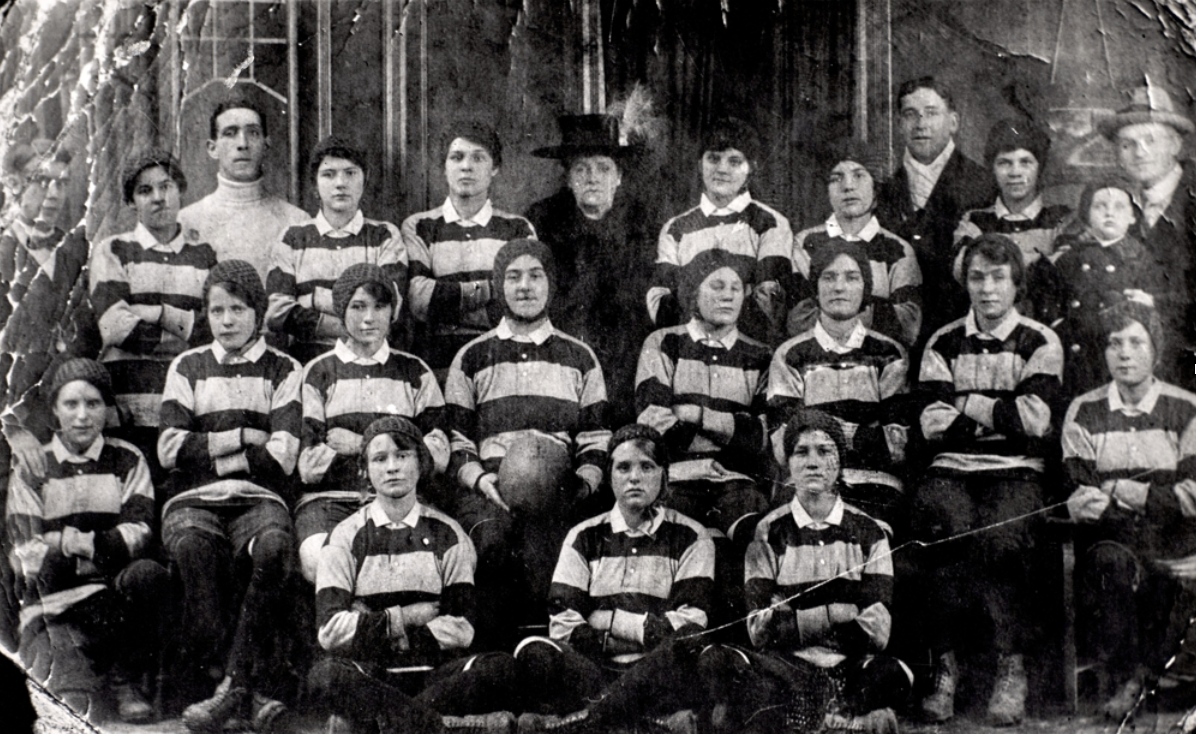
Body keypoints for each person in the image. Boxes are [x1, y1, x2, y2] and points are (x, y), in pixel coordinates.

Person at [910, 233, 1063, 725]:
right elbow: (931, 425)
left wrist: (967, 403)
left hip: (1018, 472)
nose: (988, 288)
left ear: (1016, 283)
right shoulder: (943, 340)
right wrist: (1001, 414)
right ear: (965, 283)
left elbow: (1035, 423)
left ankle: (1009, 666)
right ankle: (945, 668)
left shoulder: (1040, 340)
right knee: (942, 528)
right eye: (978, 277)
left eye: (999, 278)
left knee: (1001, 536)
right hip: (951, 469)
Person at [157, 260, 302, 732]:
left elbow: (281, 455)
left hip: (259, 502)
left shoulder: (284, 368)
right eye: (216, 310)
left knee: (276, 548)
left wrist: (210, 449)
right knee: (194, 549)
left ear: (258, 312)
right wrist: (243, 435)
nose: (227, 320)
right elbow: (170, 449)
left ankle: (233, 688)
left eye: (238, 309)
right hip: (194, 501)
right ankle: (233, 685)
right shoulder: (188, 365)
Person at [444, 238, 610, 647]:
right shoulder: (472, 356)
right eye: (513, 277)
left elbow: (595, 436)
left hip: (558, 487)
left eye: (535, 276)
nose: (525, 286)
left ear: (550, 284)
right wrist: (483, 482)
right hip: (490, 487)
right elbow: (457, 440)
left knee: (552, 557)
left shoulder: (579, 357)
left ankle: (551, 666)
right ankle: (495, 667)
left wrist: (581, 485)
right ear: (500, 286)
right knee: (493, 546)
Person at [309, 416, 521, 734]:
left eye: (403, 455)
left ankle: (382, 724)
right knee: (324, 677)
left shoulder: (450, 534)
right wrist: (406, 617)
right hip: (372, 674)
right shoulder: (345, 536)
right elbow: (331, 630)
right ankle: (439, 725)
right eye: (380, 459)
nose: (392, 467)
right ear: (365, 471)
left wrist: (372, 625)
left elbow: (460, 628)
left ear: (421, 465)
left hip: (436, 674)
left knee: (501, 668)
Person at [515, 423, 719, 733]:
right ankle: (638, 720)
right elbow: (563, 623)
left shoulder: (692, 536)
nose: (634, 477)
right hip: (594, 671)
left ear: (664, 475)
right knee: (536, 649)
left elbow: (688, 623)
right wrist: (641, 629)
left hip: (657, 671)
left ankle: (591, 721)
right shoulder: (583, 535)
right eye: (623, 467)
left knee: (688, 643)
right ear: (609, 475)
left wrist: (606, 620)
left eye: (647, 467)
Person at [6, 358, 168, 723]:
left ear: (106, 409)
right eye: (71, 404)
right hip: (57, 589)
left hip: (113, 581)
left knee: (148, 574)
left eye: (93, 404)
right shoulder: (35, 466)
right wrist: (76, 550)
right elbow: (28, 546)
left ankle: (125, 679)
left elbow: (138, 530)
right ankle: (74, 680)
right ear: (54, 410)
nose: (82, 416)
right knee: (48, 564)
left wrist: (80, 545)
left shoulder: (127, 459)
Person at [1061, 302, 1196, 719]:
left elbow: (1193, 496)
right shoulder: (1085, 410)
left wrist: (1122, 488)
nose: (1124, 353)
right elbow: (1082, 495)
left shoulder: (1186, 408)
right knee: (1110, 566)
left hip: (1177, 535)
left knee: (1178, 570)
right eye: (1114, 343)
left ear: (1155, 350)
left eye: (1136, 342)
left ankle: (1156, 679)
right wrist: (1157, 496)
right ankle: (1126, 678)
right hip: (1113, 538)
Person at [740, 409, 912, 734]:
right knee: (747, 679)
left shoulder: (869, 530)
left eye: (825, 451)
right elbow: (759, 629)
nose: (813, 462)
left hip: (848, 661)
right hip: (789, 664)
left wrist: (797, 619)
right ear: (788, 462)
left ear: (840, 462)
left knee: (896, 672)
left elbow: (878, 630)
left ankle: (816, 718)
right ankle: (846, 720)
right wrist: (840, 611)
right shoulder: (769, 530)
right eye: (801, 451)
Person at [296, 263, 449, 585]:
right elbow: (310, 464)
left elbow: (437, 454)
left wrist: (361, 446)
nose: (369, 318)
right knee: (318, 560)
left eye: (380, 307)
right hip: (331, 501)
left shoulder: (414, 371)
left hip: (402, 502)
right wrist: (401, 448)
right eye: (358, 306)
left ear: (393, 312)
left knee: (420, 565)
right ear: (341, 310)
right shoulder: (319, 372)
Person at [90, 148, 217, 484]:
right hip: (128, 408)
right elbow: (116, 329)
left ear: (180, 189)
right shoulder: (114, 250)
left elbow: (215, 332)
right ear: (132, 201)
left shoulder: (204, 255)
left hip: (187, 413)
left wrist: (158, 312)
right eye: (145, 191)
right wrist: (185, 331)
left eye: (166, 186)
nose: (158, 198)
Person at [525, 114, 657, 427]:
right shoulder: (543, 220)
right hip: (561, 356)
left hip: (628, 358)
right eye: (581, 169)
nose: (592, 178)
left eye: (603, 168)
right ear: (568, 177)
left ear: (619, 176)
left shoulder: (643, 223)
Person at [768, 240, 909, 529]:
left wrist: (821, 429)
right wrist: (861, 437)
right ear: (816, 287)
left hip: (875, 484)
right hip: (806, 482)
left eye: (851, 277)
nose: (839, 287)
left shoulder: (889, 354)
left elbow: (896, 446)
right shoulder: (790, 355)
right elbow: (784, 445)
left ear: (865, 287)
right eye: (828, 277)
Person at [403, 121, 537, 376]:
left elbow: (524, 303)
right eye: (457, 157)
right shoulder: (420, 226)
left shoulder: (517, 229)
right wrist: (493, 288)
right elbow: (420, 301)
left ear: (494, 168)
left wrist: (448, 305)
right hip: (437, 370)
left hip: (502, 369)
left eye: (478, 157)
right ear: (444, 167)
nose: (466, 166)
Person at [646, 117, 794, 345]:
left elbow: (769, 303)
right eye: (713, 159)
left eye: (734, 161)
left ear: (751, 168)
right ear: (699, 164)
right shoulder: (675, 228)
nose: (722, 169)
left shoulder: (771, 223)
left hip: (749, 353)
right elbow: (661, 302)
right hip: (687, 352)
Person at [266, 136, 407, 364]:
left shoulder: (384, 236)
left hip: (369, 364)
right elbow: (277, 313)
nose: (340, 183)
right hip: (306, 365)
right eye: (328, 174)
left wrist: (314, 299)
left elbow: (391, 309)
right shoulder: (293, 238)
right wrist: (358, 322)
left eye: (350, 173)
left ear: (365, 179)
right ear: (315, 183)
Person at [876, 77, 996, 342]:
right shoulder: (882, 191)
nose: (921, 125)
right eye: (910, 115)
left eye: (931, 113)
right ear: (899, 125)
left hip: (965, 336)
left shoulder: (985, 184)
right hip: (900, 341)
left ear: (953, 122)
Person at [1098, 84, 1195, 389]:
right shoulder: (1116, 205)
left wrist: (1157, 304)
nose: (1140, 153)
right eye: (1127, 144)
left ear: (1175, 144)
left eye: (1150, 140)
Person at [788, 139, 922, 346]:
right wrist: (874, 310)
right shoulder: (805, 243)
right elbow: (798, 319)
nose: (848, 186)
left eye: (859, 176)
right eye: (836, 178)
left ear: (876, 187)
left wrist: (834, 314)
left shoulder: (898, 250)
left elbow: (908, 324)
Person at [1047, 176, 1170, 396]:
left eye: (1119, 207)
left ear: (1133, 217)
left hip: (1122, 357)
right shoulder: (1069, 257)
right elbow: (1049, 295)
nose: (1109, 213)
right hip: (1076, 357)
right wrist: (1056, 321)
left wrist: (1151, 303)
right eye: (1100, 206)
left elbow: (1162, 305)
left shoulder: (1143, 259)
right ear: (1087, 215)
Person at [952, 118, 1071, 322]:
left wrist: (995, 265)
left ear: (1039, 168)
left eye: (1025, 162)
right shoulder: (974, 220)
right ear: (992, 168)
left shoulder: (1062, 219)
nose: (1015, 172)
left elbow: (1063, 272)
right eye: (1004, 163)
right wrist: (1037, 262)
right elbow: (963, 269)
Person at [178, 97, 307, 282]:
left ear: (266, 145)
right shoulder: (186, 222)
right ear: (212, 148)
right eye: (230, 133)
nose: (243, 144)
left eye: (253, 133)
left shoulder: (296, 222)